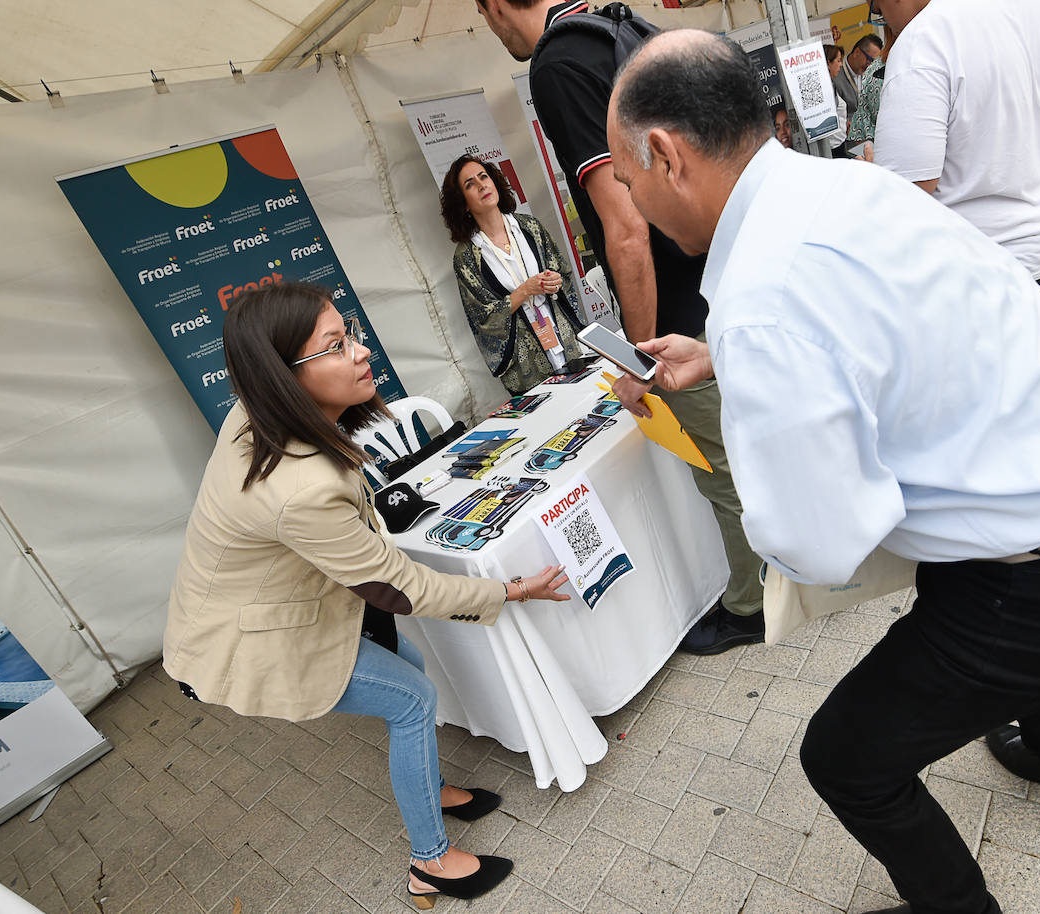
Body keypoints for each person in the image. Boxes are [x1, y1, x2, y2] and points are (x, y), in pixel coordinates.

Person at [606, 30, 1040, 914]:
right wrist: (724, 353)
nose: (633, 202)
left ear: (665, 155)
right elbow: (866, 323)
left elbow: (822, 542)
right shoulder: (841, 185)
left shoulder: (762, 298)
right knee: (962, 616)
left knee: (845, 755)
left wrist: (758, 443)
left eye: (624, 176)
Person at [163, 282, 571, 909]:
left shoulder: (260, 414)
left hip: (268, 604)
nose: (359, 353)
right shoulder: (301, 488)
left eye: (348, 333)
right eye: (335, 346)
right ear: (284, 376)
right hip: (252, 639)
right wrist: (511, 590)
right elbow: (397, 586)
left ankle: (427, 785)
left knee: (406, 670)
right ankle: (429, 862)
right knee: (413, 699)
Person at [474, 0, 767, 654]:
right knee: (747, 454)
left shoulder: (559, 61)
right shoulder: (623, 28)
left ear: (495, 7)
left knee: (722, 473)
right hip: (729, 286)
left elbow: (626, 228)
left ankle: (753, 607)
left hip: (681, 317)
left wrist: (636, 362)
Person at [874, 0, 1040, 312]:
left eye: (877, 7)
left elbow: (906, 193)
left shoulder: (924, 40)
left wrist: (874, 173)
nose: (881, 16)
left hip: (976, 273)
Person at [440, 154, 589, 393]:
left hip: (565, 341)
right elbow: (481, 320)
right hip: (524, 363)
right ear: (464, 203)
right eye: (470, 184)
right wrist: (524, 291)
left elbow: (563, 271)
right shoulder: (466, 257)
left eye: (483, 177)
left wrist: (556, 281)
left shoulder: (530, 227)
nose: (481, 185)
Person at [825, 44, 850, 158]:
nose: (840, 64)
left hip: (839, 143)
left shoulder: (831, 84)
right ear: (828, 63)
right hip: (833, 149)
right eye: (838, 60)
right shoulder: (826, 89)